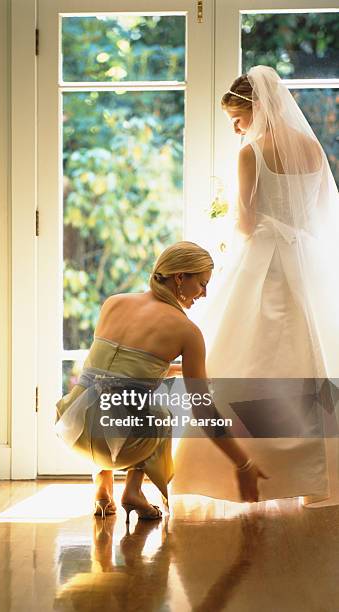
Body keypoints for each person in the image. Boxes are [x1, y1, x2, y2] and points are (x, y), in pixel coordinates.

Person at [172, 66, 339, 505]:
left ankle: (238, 472)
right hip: (306, 262)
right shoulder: (314, 151)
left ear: (257, 109)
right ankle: (314, 475)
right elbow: (321, 211)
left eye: (238, 120)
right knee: (311, 358)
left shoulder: (251, 153)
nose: (236, 129)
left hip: (264, 262)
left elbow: (245, 222)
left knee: (248, 358)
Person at [56, 241, 268, 523]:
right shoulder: (187, 331)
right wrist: (243, 463)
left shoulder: (114, 303)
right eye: (202, 284)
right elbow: (203, 411)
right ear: (180, 277)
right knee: (158, 414)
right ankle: (133, 491)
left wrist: (172, 370)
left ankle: (103, 487)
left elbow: (111, 370)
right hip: (121, 445)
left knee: (108, 399)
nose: (204, 294)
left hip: (73, 426)